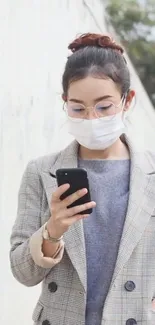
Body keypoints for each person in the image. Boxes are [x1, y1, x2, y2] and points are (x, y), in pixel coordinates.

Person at [9, 33, 155, 325]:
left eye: (104, 107)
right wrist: (52, 230)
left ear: (128, 101)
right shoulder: (41, 172)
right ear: (65, 102)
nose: (91, 118)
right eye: (78, 108)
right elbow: (23, 273)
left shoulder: (150, 173)